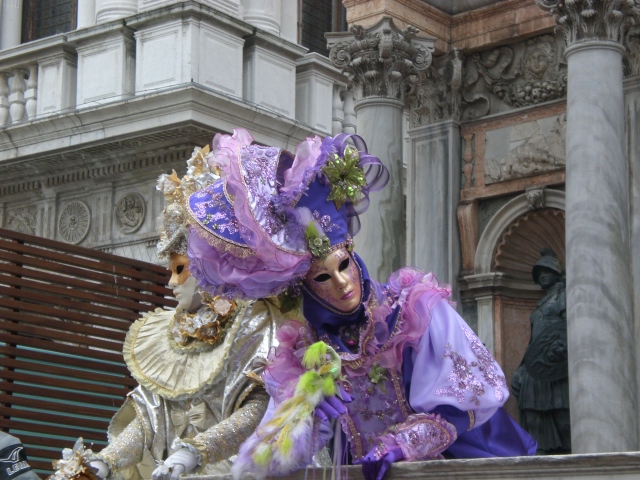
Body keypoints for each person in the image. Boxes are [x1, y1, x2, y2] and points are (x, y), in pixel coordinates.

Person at [185, 129, 537, 480]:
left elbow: (471, 396)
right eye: (322, 278)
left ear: (355, 257)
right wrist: (308, 421)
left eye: (343, 265)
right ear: (305, 291)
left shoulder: (412, 311)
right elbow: (268, 458)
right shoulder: (306, 356)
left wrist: (404, 445)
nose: (341, 283)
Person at [50, 146, 279, 480]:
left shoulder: (255, 323)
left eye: (181, 268)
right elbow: (149, 415)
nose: (171, 281)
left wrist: (194, 453)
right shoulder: (171, 334)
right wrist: (104, 462)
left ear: (208, 266)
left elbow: (261, 410)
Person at [511, 248, 569, 454]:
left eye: (546, 270)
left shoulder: (564, 297)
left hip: (557, 366)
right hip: (536, 367)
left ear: (556, 273)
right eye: (539, 273)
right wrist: (521, 368)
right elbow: (533, 341)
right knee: (533, 417)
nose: (542, 275)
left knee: (564, 420)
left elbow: (569, 328)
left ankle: (570, 457)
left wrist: (562, 349)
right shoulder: (541, 304)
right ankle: (538, 458)